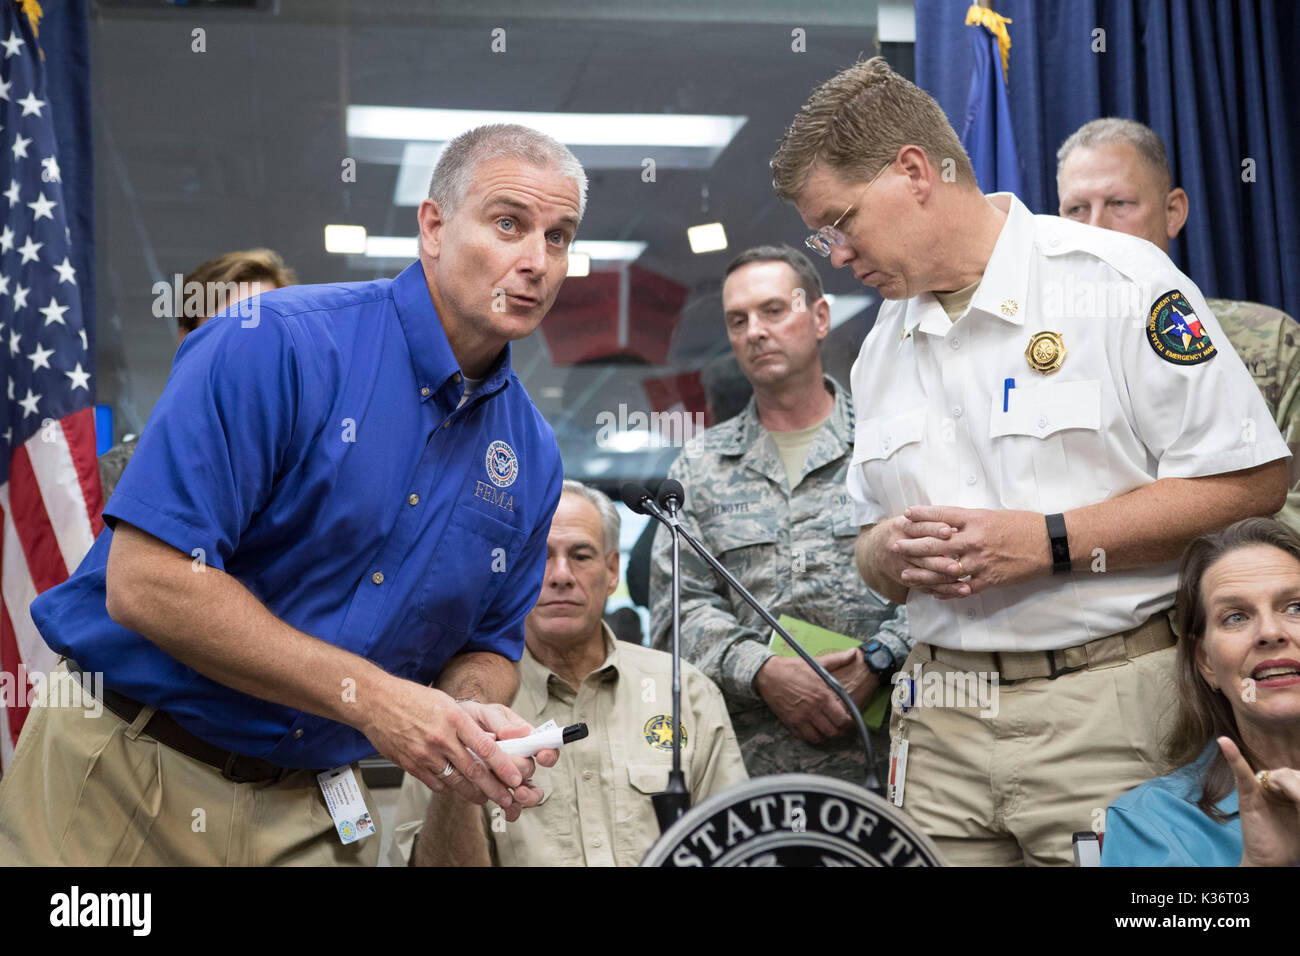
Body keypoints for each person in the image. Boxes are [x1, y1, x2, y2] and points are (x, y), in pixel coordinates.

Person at [0, 123, 584, 865]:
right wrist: (375, 700)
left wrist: (467, 711)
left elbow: (488, 645)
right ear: (433, 226)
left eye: (559, 237)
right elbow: (145, 585)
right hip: (128, 771)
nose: (535, 261)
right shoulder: (270, 343)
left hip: (313, 810)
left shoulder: (530, 457)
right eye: (509, 223)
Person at [770, 57, 1290, 865]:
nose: (835, 253)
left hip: (1107, 712)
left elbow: (1252, 481)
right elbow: (870, 552)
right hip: (939, 718)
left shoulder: (1119, 284)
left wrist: (1052, 539)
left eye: (840, 220)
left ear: (914, 172)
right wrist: (891, 552)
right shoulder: (879, 348)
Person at [649, 244, 909, 784]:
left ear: (819, 318)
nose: (755, 332)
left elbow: (950, 579)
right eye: (737, 320)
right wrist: (762, 671)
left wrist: (881, 659)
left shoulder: (890, 443)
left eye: (773, 310)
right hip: (749, 770)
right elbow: (677, 614)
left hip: (892, 764)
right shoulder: (700, 466)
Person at [390, 480, 747, 866]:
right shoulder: (468, 704)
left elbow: (741, 846)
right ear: (513, 574)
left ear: (612, 571)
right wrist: (463, 769)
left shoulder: (685, 691)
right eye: (541, 558)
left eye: (580, 555)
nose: (561, 575)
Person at [1056, 117, 1300, 532]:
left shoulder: (1271, 341)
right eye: (1077, 209)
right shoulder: (1036, 353)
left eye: (1120, 204)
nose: (1095, 228)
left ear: (1173, 212)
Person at [1102, 517, 1300, 866]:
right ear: (1206, 662)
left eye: (1296, 607)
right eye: (1236, 617)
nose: (1271, 632)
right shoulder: (1150, 823)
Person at [99, 248, 297, 501]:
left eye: (266, 331)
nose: (245, 350)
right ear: (186, 341)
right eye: (225, 330)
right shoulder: (118, 479)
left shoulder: (315, 478)